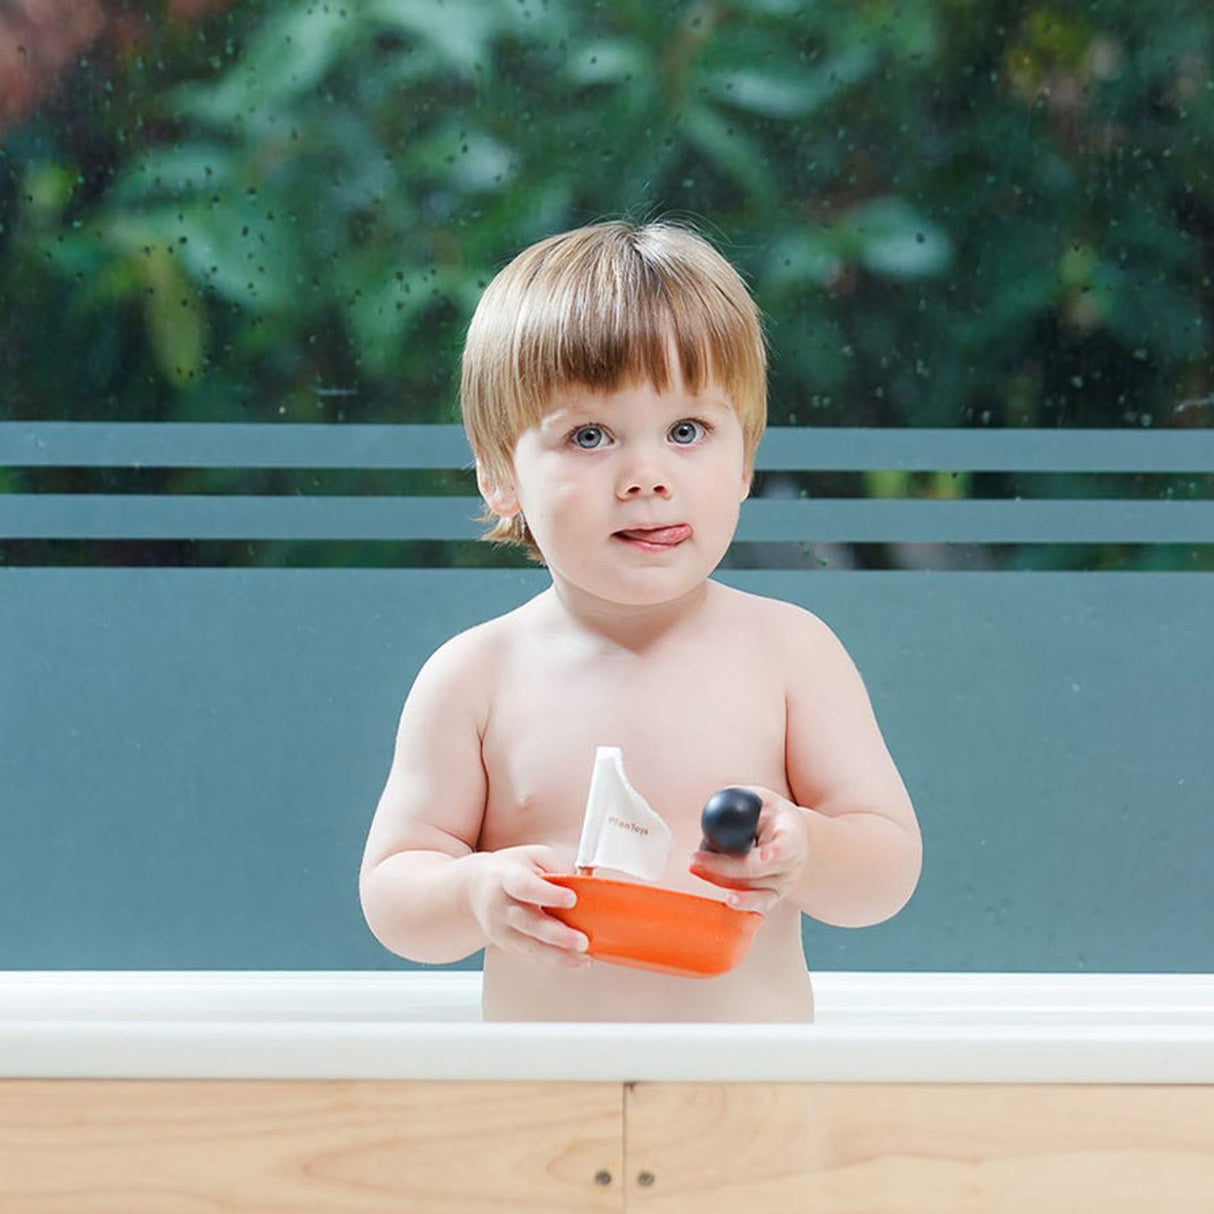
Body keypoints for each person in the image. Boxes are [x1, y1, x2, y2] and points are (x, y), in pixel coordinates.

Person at [359, 220, 922, 1022]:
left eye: (687, 431)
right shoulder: (475, 677)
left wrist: (808, 849)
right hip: (542, 1106)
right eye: (590, 436)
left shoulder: (792, 654)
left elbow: (887, 874)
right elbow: (392, 891)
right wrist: (473, 891)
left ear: (746, 461)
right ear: (498, 474)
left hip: (748, 1103)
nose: (646, 476)